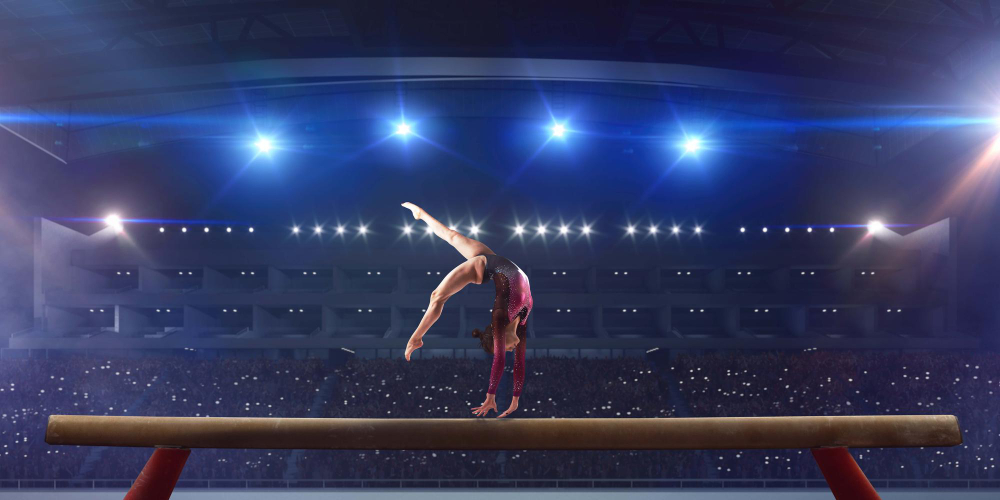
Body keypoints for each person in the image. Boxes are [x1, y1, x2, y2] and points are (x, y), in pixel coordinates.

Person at [401, 202, 533, 418]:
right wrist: (514, 400)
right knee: (450, 240)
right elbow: (516, 363)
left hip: (486, 266)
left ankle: (416, 338)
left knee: (438, 291)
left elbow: (503, 361)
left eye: (504, 348)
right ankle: (421, 214)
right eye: (507, 349)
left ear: (497, 337)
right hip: (492, 264)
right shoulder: (522, 319)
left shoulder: (501, 316)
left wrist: (493, 397)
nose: (510, 351)